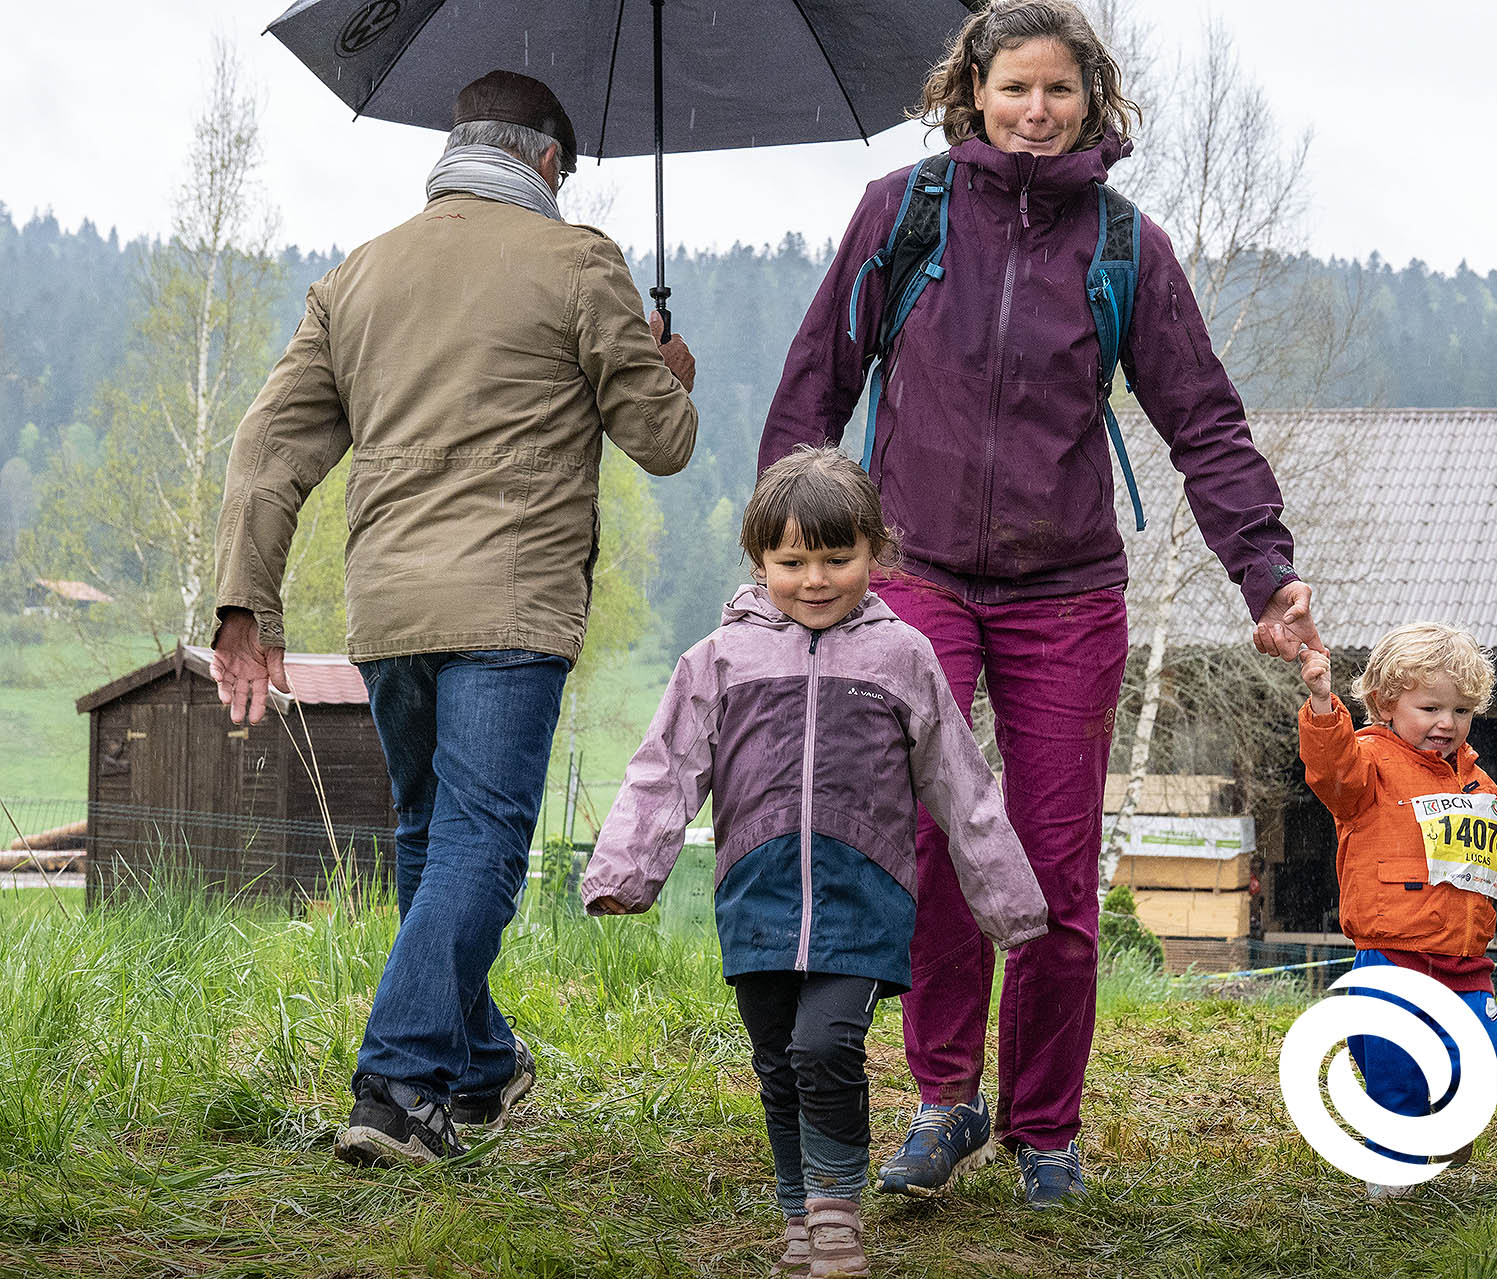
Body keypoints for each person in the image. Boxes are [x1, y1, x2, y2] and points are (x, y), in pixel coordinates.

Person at [758, 0, 1321, 1207]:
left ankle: (1045, 1125)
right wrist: (787, 553)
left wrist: (1265, 574)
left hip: (1067, 590)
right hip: (913, 571)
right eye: (1014, 87)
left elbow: (1205, 422)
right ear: (972, 92)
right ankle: (943, 1099)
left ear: (1091, 101)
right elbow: (816, 382)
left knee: (1055, 866)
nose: (1035, 110)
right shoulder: (902, 214)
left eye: (1058, 90)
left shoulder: (1126, 246)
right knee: (936, 838)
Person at [207, 69, 699, 1168]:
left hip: (388, 608)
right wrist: (668, 369)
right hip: (513, 604)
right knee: (479, 842)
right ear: (548, 162)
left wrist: (246, 602)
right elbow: (662, 442)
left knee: (431, 839)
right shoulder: (580, 262)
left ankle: (478, 1066)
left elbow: (267, 448)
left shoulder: (356, 276)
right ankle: (398, 1085)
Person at [581, 446, 1048, 1277]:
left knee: (825, 1045)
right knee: (777, 1059)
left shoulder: (902, 656)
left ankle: (836, 1217)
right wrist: (625, 870)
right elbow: (663, 768)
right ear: (758, 560)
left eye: (838, 557)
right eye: (792, 561)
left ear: (876, 551)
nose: (816, 579)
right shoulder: (717, 660)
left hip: (862, 899)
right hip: (755, 897)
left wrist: (1009, 901)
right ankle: (799, 1214)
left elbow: (963, 784)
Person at [1296, 623, 1497, 1198]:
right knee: (1395, 1067)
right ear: (1385, 702)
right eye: (1430, 707)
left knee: (1482, 1058)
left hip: (1464, 955)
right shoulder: (1366, 765)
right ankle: (1392, 1165)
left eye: (1461, 710)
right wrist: (1322, 704)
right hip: (1393, 952)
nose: (1446, 723)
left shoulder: (1479, 786)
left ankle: (1450, 1121)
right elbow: (1330, 770)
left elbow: (1493, 851)